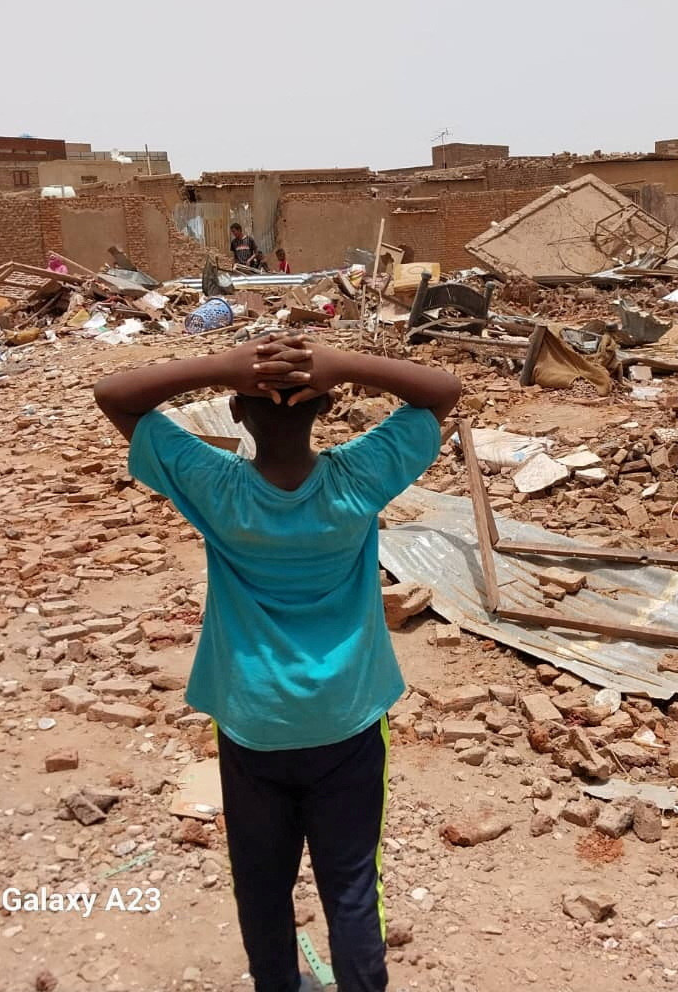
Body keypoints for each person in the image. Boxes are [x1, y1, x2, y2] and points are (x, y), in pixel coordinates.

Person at [93, 335, 460, 992]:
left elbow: (113, 398)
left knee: (262, 887)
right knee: (351, 888)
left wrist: (222, 366)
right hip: (347, 721)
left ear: (237, 414)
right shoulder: (358, 477)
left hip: (253, 724)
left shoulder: (217, 488)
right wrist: (344, 363)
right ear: (327, 407)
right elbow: (442, 393)